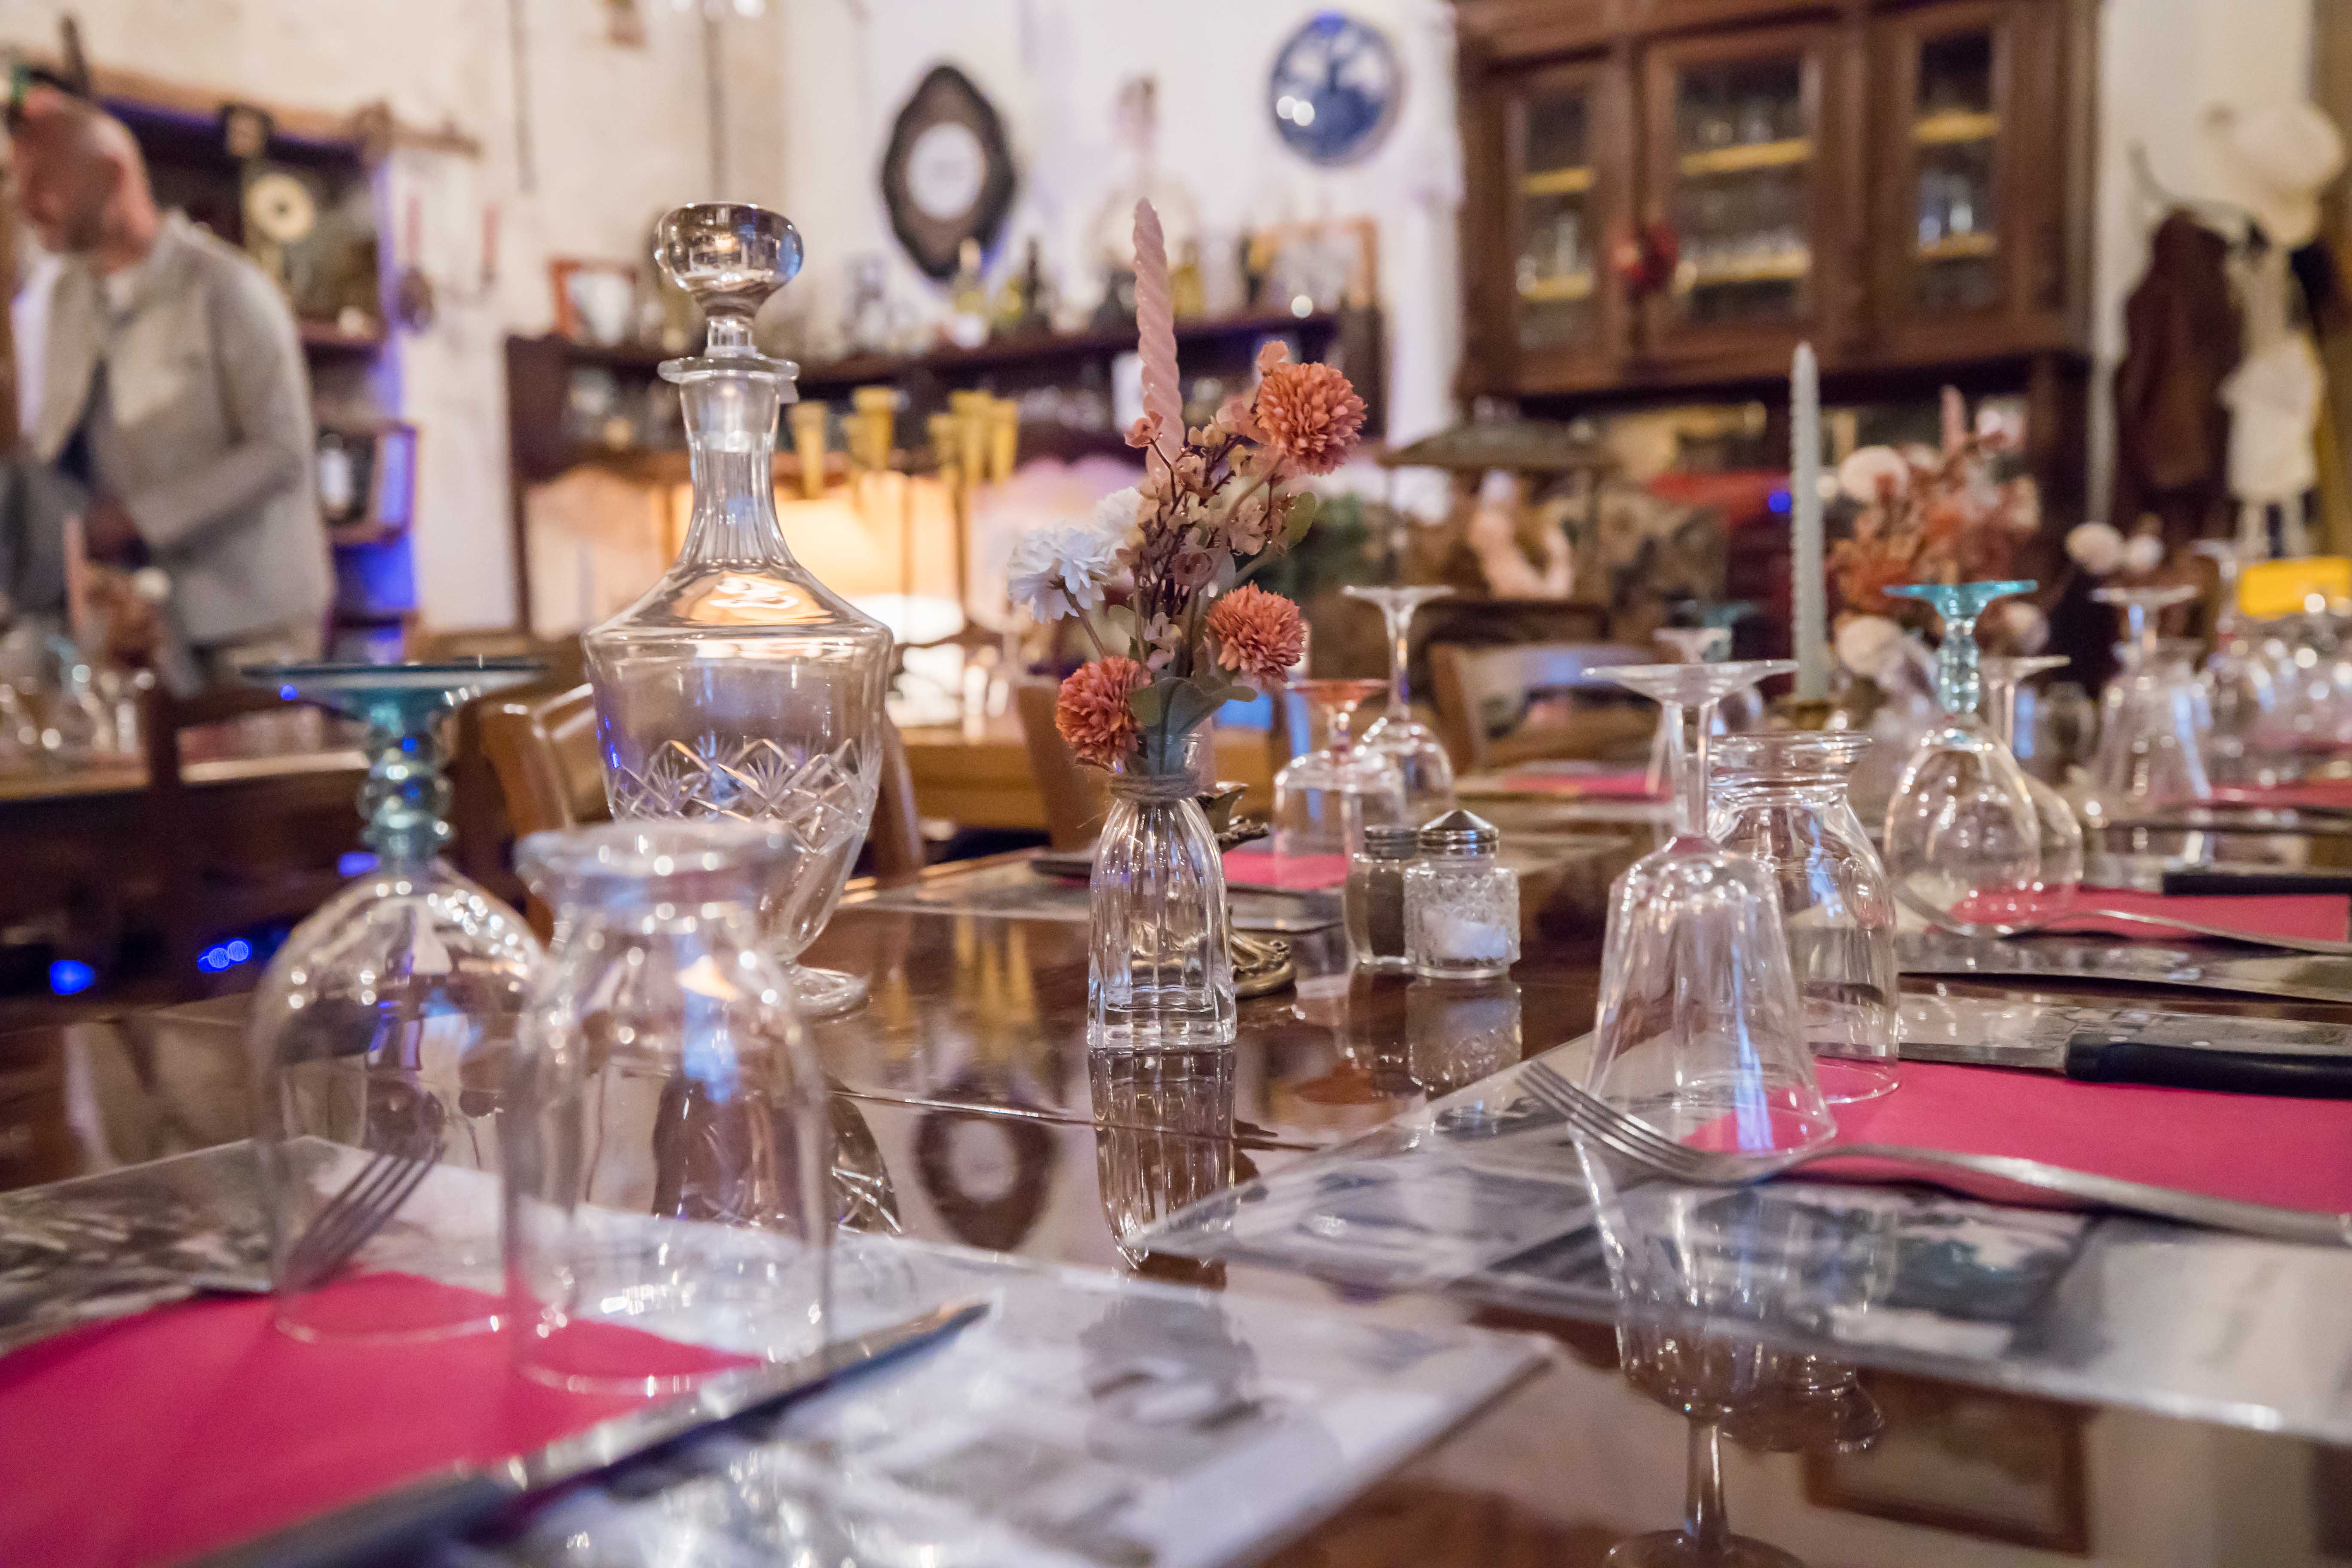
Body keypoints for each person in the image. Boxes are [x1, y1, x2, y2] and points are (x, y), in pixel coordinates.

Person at [9, 87, 329, 688]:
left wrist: (134, 518)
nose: (27, 204)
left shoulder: (229, 288)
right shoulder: (63, 299)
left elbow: (282, 449)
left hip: (252, 624)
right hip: (140, 624)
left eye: (44, 181)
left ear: (112, 176)